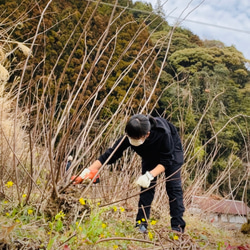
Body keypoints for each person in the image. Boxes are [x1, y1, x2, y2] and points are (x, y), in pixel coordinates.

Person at [72, 114, 186, 233]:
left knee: (173, 187)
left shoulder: (163, 133)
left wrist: (150, 175)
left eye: (136, 139)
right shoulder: (130, 135)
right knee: (146, 189)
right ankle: (141, 224)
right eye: (130, 137)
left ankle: (177, 227)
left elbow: (167, 160)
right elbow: (110, 155)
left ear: (146, 134)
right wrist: (86, 172)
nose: (132, 141)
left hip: (172, 152)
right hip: (149, 155)